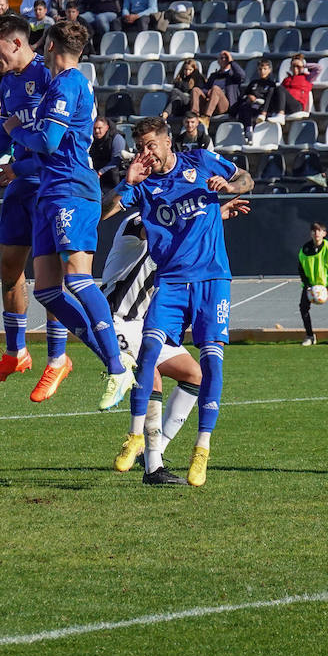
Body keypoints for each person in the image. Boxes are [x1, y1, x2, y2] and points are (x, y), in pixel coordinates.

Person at [1, 20, 135, 410]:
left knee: (77, 279)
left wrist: (14, 131)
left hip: (71, 189)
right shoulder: (62, 84)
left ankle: (116, 364)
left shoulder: (68, 82)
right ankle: (112, 356)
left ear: (52, 44)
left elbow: (48, 140)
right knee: (45, 289)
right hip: (49, 191)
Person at [117, 114, 253, 486]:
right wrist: (128, 182)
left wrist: (228, 184)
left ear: (167, 142)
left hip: (212, 278)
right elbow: (103, 211)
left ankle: (202, 448)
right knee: (148, 352)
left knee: (211, 361)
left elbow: (247, 178)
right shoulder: (143, 184)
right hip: (172, 280)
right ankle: (134, 437)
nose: (147, 154)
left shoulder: (200, 161)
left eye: (151, 146)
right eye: (140, 147)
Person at [98, 191, 248, 483]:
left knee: (195, 375)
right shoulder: (136, 221)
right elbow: (162, 227)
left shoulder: (172, 225)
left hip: (146, 322)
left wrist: (211, 215)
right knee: (150, 373)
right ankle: (153, 468)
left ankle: (156, 449)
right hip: (116, 319)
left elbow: (184, 235)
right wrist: (204, 211)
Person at [0, 13, 69, 401]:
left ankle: (57, 359)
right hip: (18, 184)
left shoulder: (49, 78)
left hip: (48, 184)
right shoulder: (7, 83)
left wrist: (16, 166)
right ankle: (16, 352)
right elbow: (5, 132)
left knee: (49, 279)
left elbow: (56, 143)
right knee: (9, 268)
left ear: (17, 43)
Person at [297, 222, 328, 347]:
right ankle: (310, 336)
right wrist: (307, 285)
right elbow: (301, 269)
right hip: (311, 284)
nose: (316, 233)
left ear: (324, 234)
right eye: (314, 231)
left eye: (319, 231)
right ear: (311, 233)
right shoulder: (304, 250)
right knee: (303, 306)